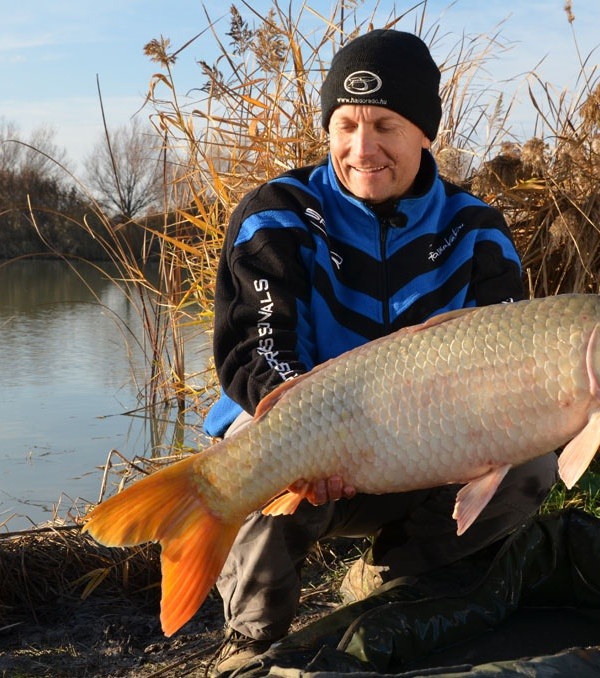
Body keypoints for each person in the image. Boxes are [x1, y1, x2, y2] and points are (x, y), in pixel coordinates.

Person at [203, 28, 558, 674]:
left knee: (530, 463)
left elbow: (511, 369)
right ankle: (250, 645)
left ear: (426, 132)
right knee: (257, 450)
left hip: (425, 453)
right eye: (345, 125)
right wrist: (316, 436)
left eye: (386, 126)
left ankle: (391, 588)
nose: (361, 150)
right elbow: (256, 355)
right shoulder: (277, 216)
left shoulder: (477, 232)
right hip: (305, 444)